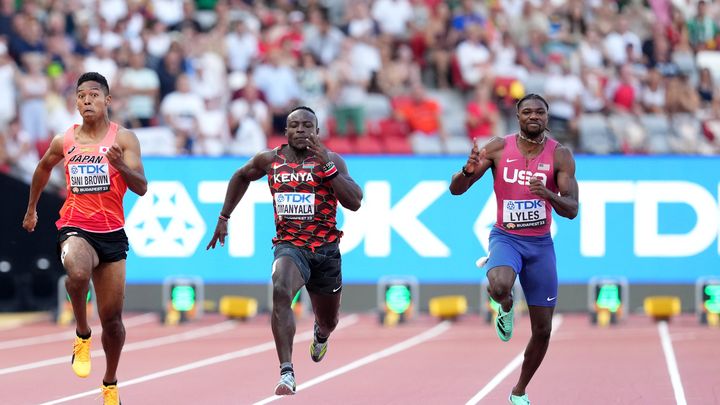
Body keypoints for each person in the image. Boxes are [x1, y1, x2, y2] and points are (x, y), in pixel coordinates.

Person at [206, 106, 363, 395]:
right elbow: (241, 176)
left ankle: (320, 334)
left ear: (317, 131)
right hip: (290, 246)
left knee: (329, 320)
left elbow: (354, 201)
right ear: (286, 130)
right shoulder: (270, 160)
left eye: (307, 125)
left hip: (326, 251)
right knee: (280, 287)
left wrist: (327, 166)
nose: (301, 130)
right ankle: (287, 371)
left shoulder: (331, 160)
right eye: (294, 125)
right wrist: (223, 217)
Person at [22, 72, 147, 405]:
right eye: (80, 96)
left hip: (112, 234)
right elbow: (43, 168)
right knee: (76, 274)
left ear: (107, 101)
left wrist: (121, 165)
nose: (86, 101)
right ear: (76, 103)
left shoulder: (124, 139)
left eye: (93, 95)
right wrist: (32, 208)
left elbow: (141, 187)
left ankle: (109, 383)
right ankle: (81, 333)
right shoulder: (65, 139)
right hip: (75, 225)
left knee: (114, 322)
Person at [449, 94, 579, 405]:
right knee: (499, 285)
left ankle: (519, 390)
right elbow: (456, 190)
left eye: (540, 112)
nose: (534, 117)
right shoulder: (497, 147)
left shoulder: (560, 156)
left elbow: (572, 209)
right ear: (517, 116)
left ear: (547, 118)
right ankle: (506, 307)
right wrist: (466, 172)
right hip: (506, 238)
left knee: (543, 329)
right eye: (527, 112)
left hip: (540, 246)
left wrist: (547, 193)